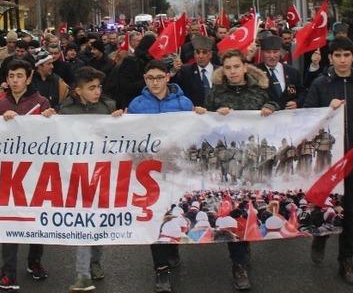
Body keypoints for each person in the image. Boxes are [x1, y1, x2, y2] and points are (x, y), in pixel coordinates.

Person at [303, 37, 353, 286]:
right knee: (324, 207)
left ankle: (346, 260)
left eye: (347, 55)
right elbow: (308, 117)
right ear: (330, 58)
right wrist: (329, 110)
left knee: (350, 212)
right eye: (337, 55)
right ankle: (321, 238)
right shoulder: (320, 84)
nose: (343, 60)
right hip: (327, 161)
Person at [126, 59, 205, 293]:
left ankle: (172, 247)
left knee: (174, 212)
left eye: (159, 77)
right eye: (150, 78)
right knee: (154, 219)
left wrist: (199, 115)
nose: (155, 83)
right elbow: (128, 136)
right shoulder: (137, 105)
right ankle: (161, 270)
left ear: (168, 77)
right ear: (144, 80)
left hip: (177, 172)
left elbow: (194, 135)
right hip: (151, 173)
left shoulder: (184, 103)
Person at [205, 48, 278, 291]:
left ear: (244, 67)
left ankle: (244, 249)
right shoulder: (216, 93)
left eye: (236, 66)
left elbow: (278, 106)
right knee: (233, 209)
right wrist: (215, 114)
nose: (233, 71)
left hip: (254, 164)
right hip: (229, 165)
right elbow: (203, 123)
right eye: (228, 68)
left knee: (250, 208)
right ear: (222, 70)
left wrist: (269, 107)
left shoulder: (259, 90)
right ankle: (238, 264)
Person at [0, 59, 55, 291]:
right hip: (9, 174)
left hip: (36, 172)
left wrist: (50, 119)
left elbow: (51, 138)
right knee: (9, 221)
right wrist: (1, 121)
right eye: (11, 76)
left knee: (36, 219)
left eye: (20, 76)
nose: (15, 80)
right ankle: (8, 272)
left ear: (29, 78)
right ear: (6, 80)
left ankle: (34, 262)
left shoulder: (41, 102)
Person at [61, 67, 124, 292]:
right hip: (77, 175)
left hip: (103, 172)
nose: (97, 91)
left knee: (99, 221)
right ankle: (82, 274)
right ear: (78, 91)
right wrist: (47, 119)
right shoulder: (65, 111)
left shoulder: (108, 107)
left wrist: (119, 120)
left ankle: (95, 260)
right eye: (91, 88)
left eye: (99, 87)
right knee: (83, 223)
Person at [256, 35, 305, 109]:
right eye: (268, 52)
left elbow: (302, 92)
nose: (272, 56)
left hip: (289, 117)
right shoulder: (256, 72)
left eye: (275, 52)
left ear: (280, 52)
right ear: (262, 53)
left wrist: (297, 102)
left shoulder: (292, 72)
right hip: (265, 117)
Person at [171, 35, 217, 107]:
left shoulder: (219, 71)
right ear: (194, 54)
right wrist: (174, 70)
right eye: (198, 52)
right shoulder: (186, 71)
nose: (200, 56)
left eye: (204, 52)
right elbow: (174, 86)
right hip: (194, 114)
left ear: (210, 54)